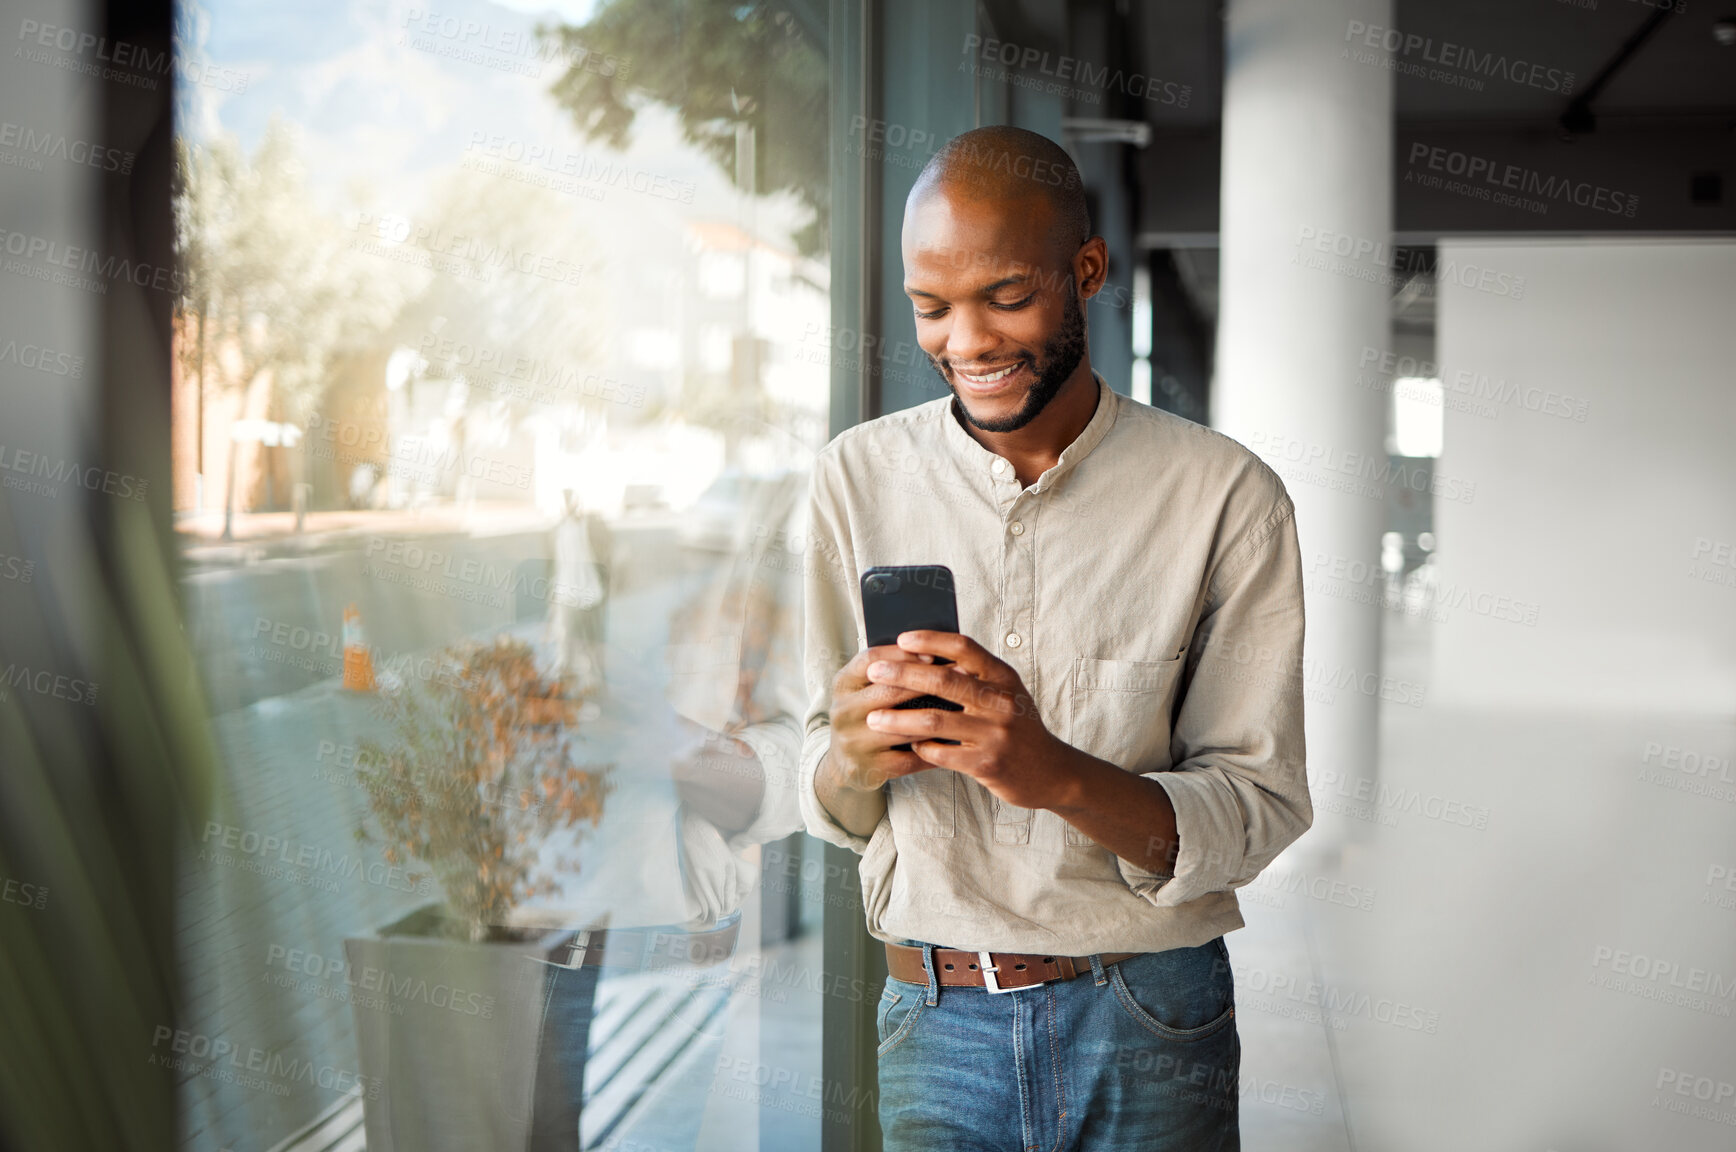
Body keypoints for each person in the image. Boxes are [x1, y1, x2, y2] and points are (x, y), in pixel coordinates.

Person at [797, 125, 1312, 1151]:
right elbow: (823, 782)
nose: (966, 342)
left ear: (1086, 271)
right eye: (929, 308)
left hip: (1150, 1017)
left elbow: (1261, 809)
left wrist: (1047, 772)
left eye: (1005, 296)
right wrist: (848, 758)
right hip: (931, 1018)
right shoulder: (851, 480)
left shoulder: (1224, 497)